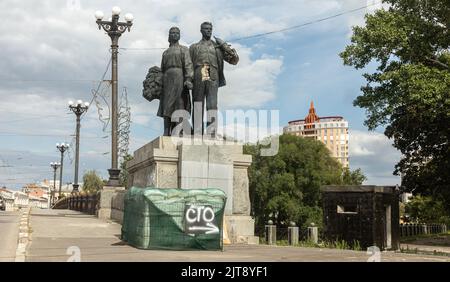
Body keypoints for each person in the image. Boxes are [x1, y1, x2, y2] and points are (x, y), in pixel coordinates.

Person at [189, 22, 239, 137]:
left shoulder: (218, 47)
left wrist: (225, 47)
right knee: (197, 104)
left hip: (213, 74)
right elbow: (188, 65)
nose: (208, 31)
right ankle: (197, 132)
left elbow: (234, 60)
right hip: (199, 74)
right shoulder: (194, 47)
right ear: (201, 30)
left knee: (212, 104)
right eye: (206, 29)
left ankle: (211, 132)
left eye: (210, 29)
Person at [158, 27, 194, 136]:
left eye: (176, 33)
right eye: (172, 33)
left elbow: (188, 65)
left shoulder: (184, 49)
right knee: (166, 105)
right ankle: (166, 130)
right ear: (169, 36)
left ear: (179, 36)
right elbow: (162, 69)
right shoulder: (165, 53)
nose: (174, 34)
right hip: (167, 79)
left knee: (180, 103)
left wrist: (188, 79)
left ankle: (179, 129)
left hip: (180, 78)